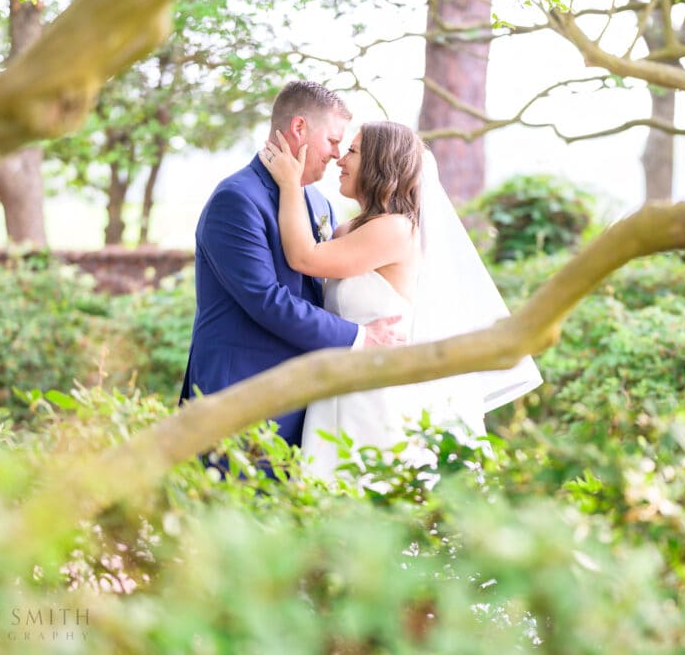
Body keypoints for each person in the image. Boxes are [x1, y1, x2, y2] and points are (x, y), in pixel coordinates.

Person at [261, 121, 542, 480]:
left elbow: (305, 258)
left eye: (353, 151)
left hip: (378, 392)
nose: (340, 160)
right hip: (341, 384)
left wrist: (289, 184)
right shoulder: (350, 229)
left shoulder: (395, 229)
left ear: (379, 163)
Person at [179, 82, 405, 454]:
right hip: (242, 396)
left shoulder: (319, 204)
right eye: (333, 141)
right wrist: (361, 337)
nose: (336, 155)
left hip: (306, 404)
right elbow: (267, 300)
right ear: (300, 128)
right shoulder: (237, 199)